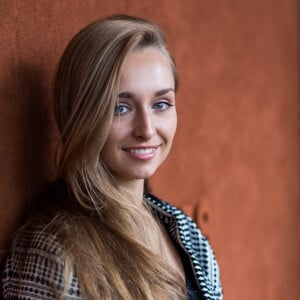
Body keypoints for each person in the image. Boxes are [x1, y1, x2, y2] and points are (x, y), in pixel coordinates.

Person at [1, 15, 222, 300]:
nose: (147, 129)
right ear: (82, 117)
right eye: (120, 108)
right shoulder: (53, 252)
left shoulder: (187, 232)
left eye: (161, 104)